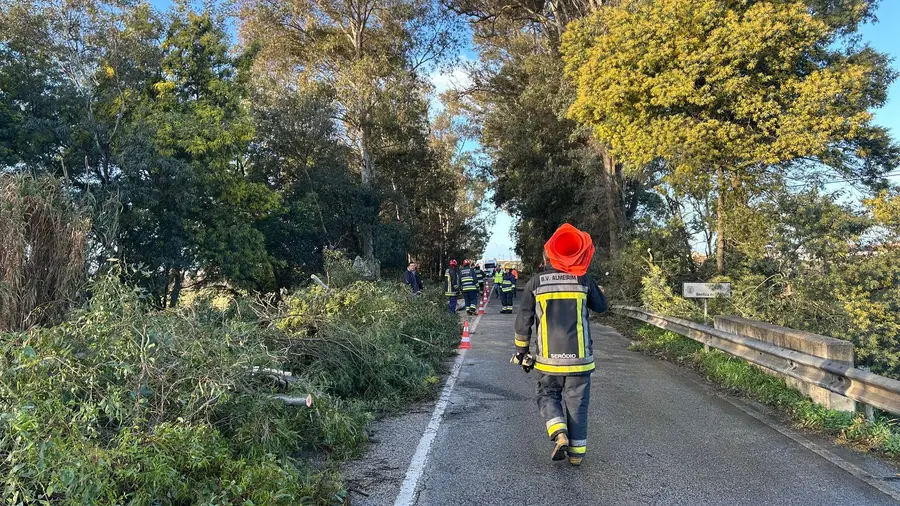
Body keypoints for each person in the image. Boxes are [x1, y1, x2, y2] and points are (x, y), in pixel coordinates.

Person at [512, 223, 607, 467]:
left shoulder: (536, 283)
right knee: (578, 404)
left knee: (547, 394)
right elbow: (601, 306)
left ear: (549, 255)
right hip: (580, 360)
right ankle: (576, 455)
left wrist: (522, 352)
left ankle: (558, 432)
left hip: (549, 361)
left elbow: (524, 319)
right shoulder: (583, 279)